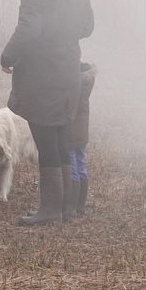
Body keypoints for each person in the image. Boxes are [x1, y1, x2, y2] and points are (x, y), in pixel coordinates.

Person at [1, 0, 94, 226]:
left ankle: (51, 209)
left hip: (42, 75)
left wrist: (8, 56)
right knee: (61, 137)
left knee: (45, 139)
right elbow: (87, 27)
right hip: (67, 70)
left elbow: (29, 29)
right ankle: (65, 208)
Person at [66, 61, 97, 217]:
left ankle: (71, 206)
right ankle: (80, 206)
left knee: (72, 168)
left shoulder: (74, 86)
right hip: (82, 134)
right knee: (81, 166)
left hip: (71, 134)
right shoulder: (87, 85)